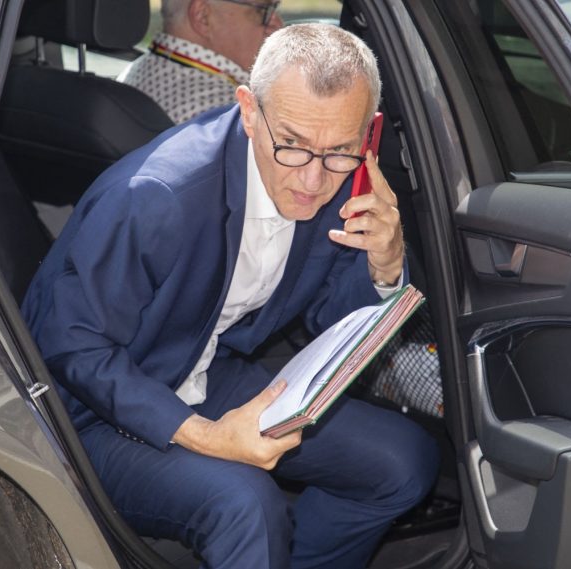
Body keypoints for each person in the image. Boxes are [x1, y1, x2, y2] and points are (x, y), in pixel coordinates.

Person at [22, 23, 439, 569]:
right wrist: (204, 437)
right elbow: (73, 345)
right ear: (247, 111)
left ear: (369, 133)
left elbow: (331, 322)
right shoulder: (157, 197)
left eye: (340, 150)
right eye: (293, 145)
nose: (313, 181)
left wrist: (384, 264)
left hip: (199, 367)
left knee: (402, 463)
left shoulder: (344, 181)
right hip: (87, 415)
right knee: (246, 505)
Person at [119, 0, 284, 123]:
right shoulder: (225, 113)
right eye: (263, 11)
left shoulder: (140, 71)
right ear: (203, 16)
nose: (278, 24)